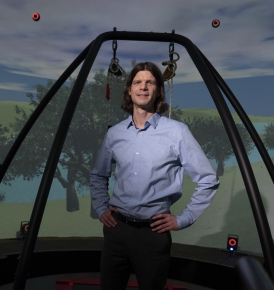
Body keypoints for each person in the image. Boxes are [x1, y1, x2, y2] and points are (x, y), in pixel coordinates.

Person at [90, 62, 219, 290]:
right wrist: (101, 208)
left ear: (159, 89)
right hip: (116, 232)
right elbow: (98, 175)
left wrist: (184, 219)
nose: (143, 87)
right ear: (129, 90)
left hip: (153, 234)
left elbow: (208, 179)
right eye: (137, 82)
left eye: (150, 82)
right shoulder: (115, 133)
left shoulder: (177, 132)